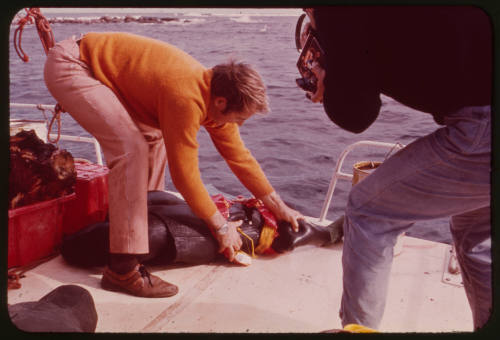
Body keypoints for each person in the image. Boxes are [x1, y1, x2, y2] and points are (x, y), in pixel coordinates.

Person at [44, 32, 304, 298]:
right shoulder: (186, 97)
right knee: (130, 150)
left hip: (103, 70)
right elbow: (185, 176)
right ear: (221, 102)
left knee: (152, 137)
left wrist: (278, 207)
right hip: (74, 65)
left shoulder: (215, 95)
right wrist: (221, 227)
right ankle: (122, 268)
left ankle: (131, 230)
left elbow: (239, 156)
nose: (239, 125)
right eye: (239, 118)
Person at [301, 7, 492, 330]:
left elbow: (356, 116)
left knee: (368, 211)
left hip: (482, 129)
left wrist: (329, 84)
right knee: (477, 234)